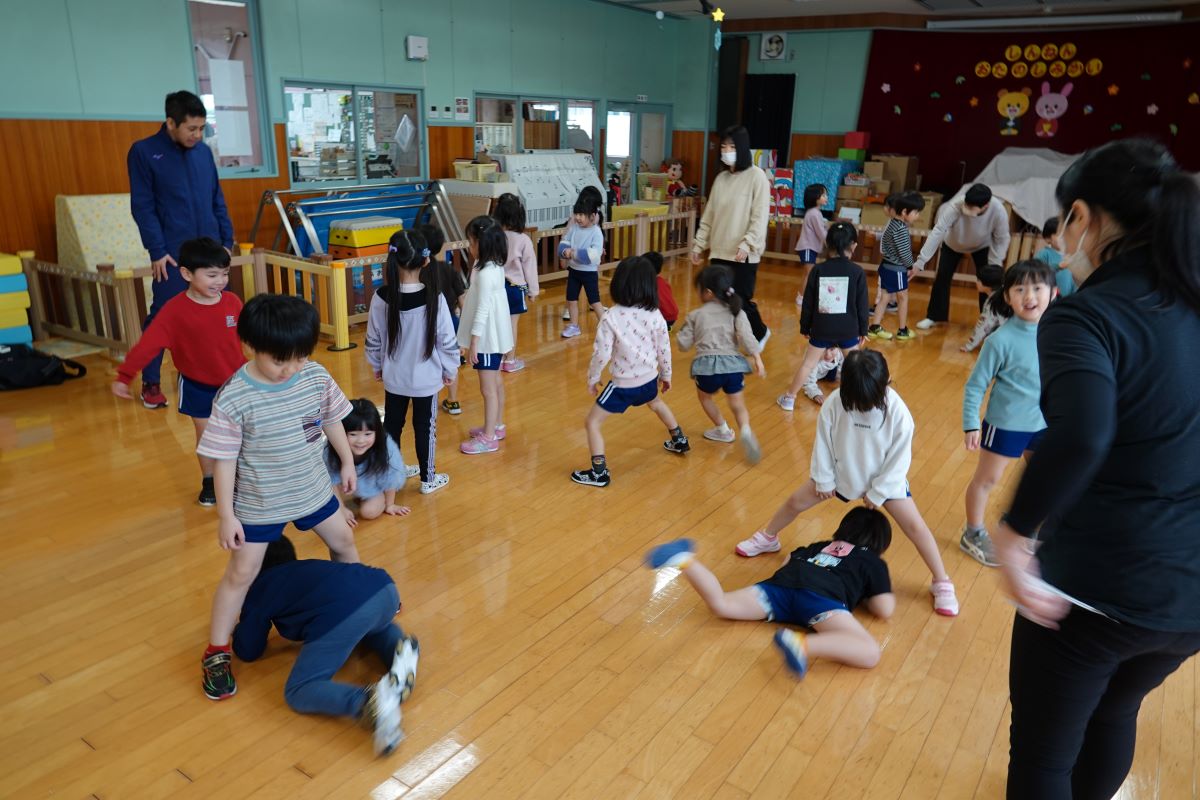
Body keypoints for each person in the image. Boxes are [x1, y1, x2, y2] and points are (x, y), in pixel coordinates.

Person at [989, 139, 1200, 799]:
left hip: (1098, 587)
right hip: (1189, 598)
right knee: (1116, 708)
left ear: (1080, 218)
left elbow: (1083, 434)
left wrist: (1014, 532)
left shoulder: (1089, 314)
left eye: (1061, 224)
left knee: (1044, 761)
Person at [194, 294, 361, 701]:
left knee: (344, 542)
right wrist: (227, 516)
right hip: (258, 501)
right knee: (241, 573)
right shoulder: (234, 397)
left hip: (311, 487)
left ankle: (357, 605)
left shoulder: (315, 376)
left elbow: (333, 418)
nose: (292, 368)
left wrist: (346, 462)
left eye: (300, 357)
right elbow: (224, 461)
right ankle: (216, 653)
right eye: (280, 360)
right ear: (250, 346)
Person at [736, 350, 960, 617]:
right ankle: (768, 537)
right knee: (795, 501)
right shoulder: (835, 402)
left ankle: (941, 581)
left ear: (886, 382)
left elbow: (899, 460)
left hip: (884, 482)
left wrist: (878, 493)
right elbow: (823, 442)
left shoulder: (899, 414)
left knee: (915, 527)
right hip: (842, 475)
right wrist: (824, 479)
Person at [644, 507, 895, 679]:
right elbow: (885, 609)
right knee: (870, 653)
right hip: (821, 602)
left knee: (722, 604)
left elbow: (787, 562)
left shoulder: (818, 546)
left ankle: (686, 560)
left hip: (780, 589)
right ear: (879, 544)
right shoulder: (872, 562)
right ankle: (801, 644)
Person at [231, 536, 420, 757]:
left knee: (299, 690)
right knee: (371, 627)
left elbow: (249, 650)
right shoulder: (306, 569)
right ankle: (398, 648)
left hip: (345, 614)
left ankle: (368, 702)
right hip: (384, 587)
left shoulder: (261, 587)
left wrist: (238, 630)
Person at [111, 238, 244, 506]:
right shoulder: (174, 311)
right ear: (186, 273)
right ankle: (210, 482)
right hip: (198, 386)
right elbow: (147, 345)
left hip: (236, 383)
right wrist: (125, 376)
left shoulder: (232, 302)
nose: (220, 281)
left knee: (240, 435)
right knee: (208, 437)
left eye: (225, 274)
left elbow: (253, 336)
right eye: (212, 275)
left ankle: (239, 479)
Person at [127, 90, 234, 410]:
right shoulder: (144, 152)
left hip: (211, 246)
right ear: (171, 122)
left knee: (214, 311)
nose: (197, 135)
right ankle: (151, 381)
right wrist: (156, 250)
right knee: (163, 317)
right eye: (191, 129)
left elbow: (217, 197)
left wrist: (226, 240)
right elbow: (142, 206)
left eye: (202, 129)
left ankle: (209, 375)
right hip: (172, 253)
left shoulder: (202, 153)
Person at [959, 260, 1056, 567]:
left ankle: (1018, 521)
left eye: (1037, 288)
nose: (1030, 295)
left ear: (1052, 293)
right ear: (1007, 297)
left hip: (1043, 424)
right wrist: (971, 424)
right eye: (1020, 288)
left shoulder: (1057, 332)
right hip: (1006, 425)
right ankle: (972, 532)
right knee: (987, 480)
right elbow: (976, 386)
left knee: (1042, 477)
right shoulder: (999, 340)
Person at [570, 256, 689, 487]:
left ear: (618, 284)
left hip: (623, 386)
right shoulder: (655, 315)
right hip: (649, 380)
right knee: (656, 404)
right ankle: (679, 439)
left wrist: (593, 378)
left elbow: (601, 353)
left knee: (592, 423)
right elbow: (664, 349)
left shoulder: (611, 316)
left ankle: (599, 473)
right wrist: (666, 376)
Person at [366, 229, 458, 493]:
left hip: (394, 378)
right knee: (424, 428)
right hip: (426, 381)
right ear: (426, 261)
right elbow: (447, 342)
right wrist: (450, 370)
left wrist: (376, 365)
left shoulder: (381, 297)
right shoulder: (434, 297)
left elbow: (373, 339)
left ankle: (390, 471)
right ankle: (428, 479)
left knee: (392, 425)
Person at [691, 125, 772, 346]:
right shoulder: (721, 179)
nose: (726, 150)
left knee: (740, 300)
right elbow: (709, 215)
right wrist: (699, 245)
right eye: (724, 146)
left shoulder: (758, 178)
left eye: (732, 146)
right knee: (720, 300)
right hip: (718, 251)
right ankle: (729, 338)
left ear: (743, 148)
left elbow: (759, 217)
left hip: (743, 253)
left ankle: (760, 332)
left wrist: (748, 244)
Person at [674, 264, 765, 463]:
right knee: (737, 405)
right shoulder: (736, 312)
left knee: (705, 398)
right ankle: (746, 432)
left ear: (707, 292)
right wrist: (757, 358)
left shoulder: (696, 315)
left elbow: (683, 345)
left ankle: (723, 429)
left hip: (706, 368)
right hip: (733, 367)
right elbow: (747, 337)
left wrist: (677, 333)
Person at [779, 222, 867, 409]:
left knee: (808, 364)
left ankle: (789, 399)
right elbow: (862, 305)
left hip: (822, 328)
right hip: (848, 329)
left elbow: (808, 302)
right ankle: (860, 401)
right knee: (855, 367)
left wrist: (805, 326)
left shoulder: (818, 270)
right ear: (854, 245)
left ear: (827, 244)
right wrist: (863, 330)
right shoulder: (857, 272)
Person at [912, 183, 1011, 329]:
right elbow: (938, 231)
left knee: (987, 283)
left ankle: (990, 320)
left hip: (982, 246)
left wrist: (995, 264)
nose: (967, 209)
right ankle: (934, 316)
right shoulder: (956, 205)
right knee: (942, 277)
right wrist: (921, 261)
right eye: (967, 205)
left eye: (972, 207)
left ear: (986, 205)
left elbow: (1002, 238)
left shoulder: (998, 210)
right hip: (953, 244)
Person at [458, 216, 513, 454]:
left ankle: (489, 437)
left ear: (483, 244)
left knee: (487, 389)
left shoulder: (485, 273)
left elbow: (482, 310)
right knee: (496, 384)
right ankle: (496, 425)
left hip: (488, 340)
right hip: (497, 336)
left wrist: (474, 342)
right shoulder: (493, 266)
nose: (469, 247)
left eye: (471, 242)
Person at [326, 399, 412, 524]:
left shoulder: (385, 448)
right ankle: (358, 494)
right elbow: (329, 480)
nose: (360, 441)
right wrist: (341, 509)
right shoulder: (332, 448)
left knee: (368, 512)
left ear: (377, 432)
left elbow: (391, 477)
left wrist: (389, 505)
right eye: (353, 434)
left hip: (374, 485)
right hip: (355, 481)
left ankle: (377, 496)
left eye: (367, 434)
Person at [417, 223, 467, 417]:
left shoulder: (417, 272)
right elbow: (462, 300)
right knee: (451, 363)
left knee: (428, 360)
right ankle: (453, 401)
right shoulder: (449, 269)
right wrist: (464, 329)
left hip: (426, 324)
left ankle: (428, 398)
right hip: (451, 325)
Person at [867, 191, 926, 341]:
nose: (917, 216)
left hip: (886, 266)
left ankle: (874, 327)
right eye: (916, 212)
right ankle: (902, 330)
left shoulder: (892, 223)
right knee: (903, 297)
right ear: (905, 212)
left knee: (885, 297)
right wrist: (911, 266)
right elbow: (905, 252)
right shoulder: (901, 229)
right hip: (896, 269)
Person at [494, 193, 539, 372]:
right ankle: (510, 361)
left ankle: (497, 360)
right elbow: (530, 266)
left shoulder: (494, 237)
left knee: (497, 324)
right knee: (512, 324)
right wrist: (533, 290)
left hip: (495, 287)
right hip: (515, 289)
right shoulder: (523, 240)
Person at [559, 193, 606, 338]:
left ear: (592, 216)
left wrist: (573, 253)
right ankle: (574, 326)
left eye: (582, 214)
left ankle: (606, 326)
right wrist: (564, 251)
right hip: (574, 270)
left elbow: (593, 255)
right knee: (571, 299)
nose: (578, 217)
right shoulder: (574, 228)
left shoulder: (596, 232)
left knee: (594, 301)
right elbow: (564, 242)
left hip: (589, 273)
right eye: (576, 214)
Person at [793, 183, 829, 309]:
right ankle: (802, 298)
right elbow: (821, 233)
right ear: (815, 197)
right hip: (808, 248)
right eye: (823, 195)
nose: (826, 197)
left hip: (809, 248)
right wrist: (831, 243)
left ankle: (801, 296)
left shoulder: (814, 212)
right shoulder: (814, 213)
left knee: (807, 273)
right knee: (809, 273)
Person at [959, 265, 1009, 353]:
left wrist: (969, 345)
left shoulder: (992, 303)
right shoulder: (1004, 295)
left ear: (988, 284)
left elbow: (983, 326)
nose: (976, 282)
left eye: (979, 280)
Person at [1034, 216, 1074, 299]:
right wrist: (1058, 266)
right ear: (1048, 239)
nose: (1064, 238)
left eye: (1067, 234)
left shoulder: (1070, 255)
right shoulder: (1044, 254)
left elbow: (1073, 280)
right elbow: (1036, 273)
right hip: (1049, 299)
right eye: (1060, 234)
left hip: (1068, 300)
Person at [645, 251, 678, 330]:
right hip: (673, 316)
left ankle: (664, 327)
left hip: (663, 318)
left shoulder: (648, 284)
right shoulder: (663, 281)